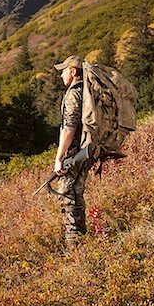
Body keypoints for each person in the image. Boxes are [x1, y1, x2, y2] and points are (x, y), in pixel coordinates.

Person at [53, 55, 94, 248]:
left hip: (75, 152)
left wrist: (59, 157)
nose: (61, 74)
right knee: (76, 193)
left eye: (64, 70)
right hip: (85, 150)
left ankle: (74, 245)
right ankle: (80, 240)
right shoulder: (87, 92)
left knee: (68, 195)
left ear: (73, 71)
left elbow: (69, 127)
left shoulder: (73, 95)